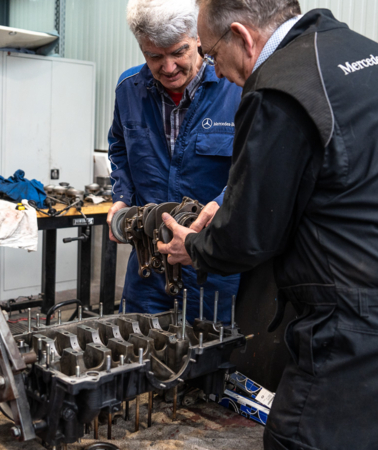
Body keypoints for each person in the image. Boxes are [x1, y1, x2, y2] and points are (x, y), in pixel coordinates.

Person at [158, 1, 378, 449]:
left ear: (242, 37)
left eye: (211, 55)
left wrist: (194, 246)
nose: (219, 70)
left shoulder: (281, 86)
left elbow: (248, 239)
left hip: (362, 333)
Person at [107, 0, 241, 321]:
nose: (168, 67)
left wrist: (222, 207)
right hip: (147, 263)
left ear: (198, 38)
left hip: (211, 263)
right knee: (139, 353)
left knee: (209, 357)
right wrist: (122, 196)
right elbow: (119, 148)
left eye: (178, 52)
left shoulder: (235, 90)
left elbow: (258, 168)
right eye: (154, 56)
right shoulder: (130, 90)